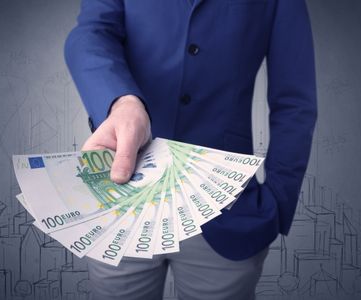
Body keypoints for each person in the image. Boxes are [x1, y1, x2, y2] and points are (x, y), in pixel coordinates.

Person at [64, 0, 317, 299]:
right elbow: (91, 34)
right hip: (123, 199)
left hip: (227, 210)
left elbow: (294, 102)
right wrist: (121, 102)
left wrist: (277, 201)